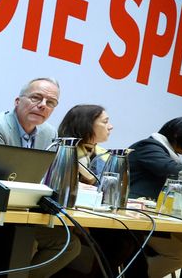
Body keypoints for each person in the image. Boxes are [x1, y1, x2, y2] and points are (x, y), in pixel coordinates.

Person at [0, 77, 81, 278]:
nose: (43, 105)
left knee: (69, 244)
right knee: (24, 241)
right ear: (18, 101)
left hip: (24, 214)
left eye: (50, 103)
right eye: (36, 98)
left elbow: (46, 177)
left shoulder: (49, 133)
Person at [57, 104, 146, 278]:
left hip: (96, 220)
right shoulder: (64, 151)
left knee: (132, 236)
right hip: (69, 222)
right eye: (105, 122)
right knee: (118, 241)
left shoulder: (102, 153)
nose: (111, 126)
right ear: (87, 124)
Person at [128, 117, 182, 277]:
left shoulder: (164, 152)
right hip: (136, 218)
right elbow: (173, 170)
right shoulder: (148, 146)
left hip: (155, 218)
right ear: (177, 134)